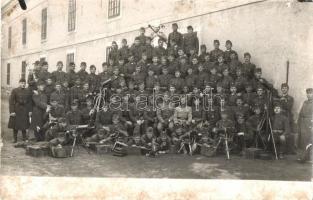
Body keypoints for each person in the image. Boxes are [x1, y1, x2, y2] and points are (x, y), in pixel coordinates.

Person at [8, 78, 33, 143]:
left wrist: (30, 111)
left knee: (24, 124)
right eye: (22, 83)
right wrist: (12, 111)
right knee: (15, 124)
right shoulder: (15, 90)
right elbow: (11, 101)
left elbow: (30, 102)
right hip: (17, 109)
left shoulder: (28, 91)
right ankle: (14, 138)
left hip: (25, 109)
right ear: (19, 83)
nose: (23, 84)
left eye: (24, 83)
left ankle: (24, 138)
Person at [297, 88, 313, 162]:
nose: (309, 95)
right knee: (303, 140)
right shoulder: (305, 102)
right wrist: (299, 121)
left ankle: (306, 157)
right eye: (308, 93)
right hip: (303, 122)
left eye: (310, 93)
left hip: (309, 123)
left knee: (308, 140)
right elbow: (301, 112)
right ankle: (305, 156)